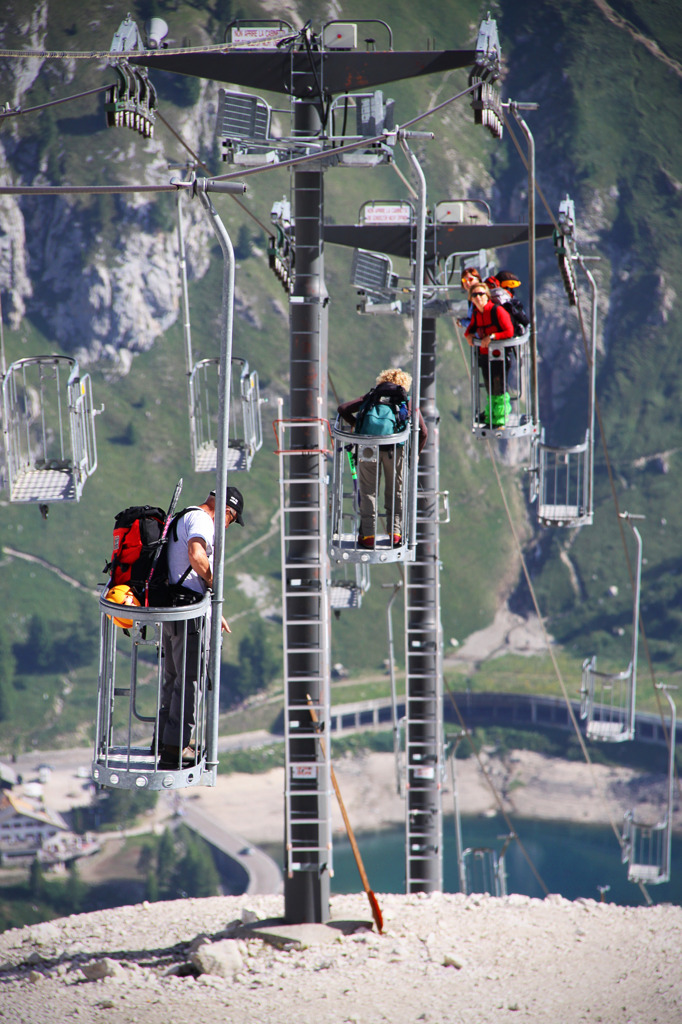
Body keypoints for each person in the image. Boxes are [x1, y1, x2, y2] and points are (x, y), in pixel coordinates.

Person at [158, 486, 244, 768]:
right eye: (231, 521)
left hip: (174, 608)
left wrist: (213, 609)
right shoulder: (203, 521)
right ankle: (177, 746)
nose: (227, 527)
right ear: (227, 513)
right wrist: (213, 584)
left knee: (173, 677)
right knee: (190, 679)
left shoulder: (186, 516)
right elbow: (196, 555)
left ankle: (164, 739)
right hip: (188, 616)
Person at [337, 368, 427, 549]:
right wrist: (413, 455)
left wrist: (357, 425)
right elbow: (423, 433)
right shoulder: (406, 401)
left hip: (367, 448)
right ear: (404, 384)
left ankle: (369, 535)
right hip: (395, 449)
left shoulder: (371, 397)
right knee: (396, 491)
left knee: (369, 491)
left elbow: (343, 409)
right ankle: (394, 533)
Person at [465, 281, 515, 427]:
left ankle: (500, 419)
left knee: (499, 387)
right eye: (474, 295)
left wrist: (492, 337)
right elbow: (470, 329)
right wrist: (469, 336)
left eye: (481, 294)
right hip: (485, 356)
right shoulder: (477, 314)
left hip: (499, 356)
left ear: (487, 296)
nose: (478, 297)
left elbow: (509, 331)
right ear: (471, 299)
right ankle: (491, 416)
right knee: (489, 387)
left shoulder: (497, 311)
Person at [456, 266, 483, 330]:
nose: (467, 282)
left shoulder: (480, 295)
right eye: (464, 280)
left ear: (478, 279)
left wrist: (462, 322)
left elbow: (477, 323)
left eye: (470, 279)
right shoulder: (471, 296)